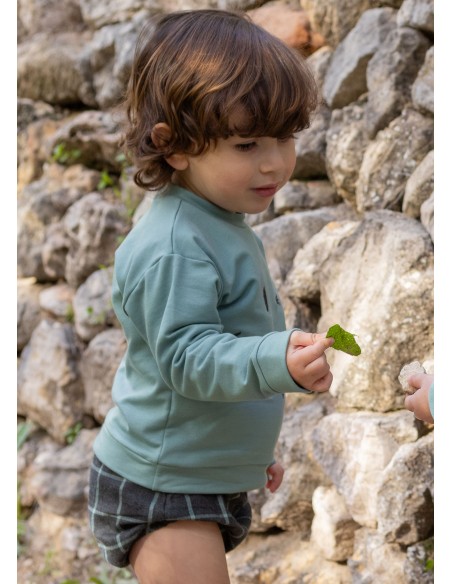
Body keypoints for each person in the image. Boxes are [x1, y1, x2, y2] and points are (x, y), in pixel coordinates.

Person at [88, 9, 333, 584]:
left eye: (285, 138)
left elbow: (226, 344)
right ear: (174, 147)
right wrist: (275, 360)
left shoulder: (217, 223)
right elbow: (187, 357)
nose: (274, 161)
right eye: (246, 144)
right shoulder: (175, 244)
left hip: (195, 472)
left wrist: (243, 455)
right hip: (159, 483)